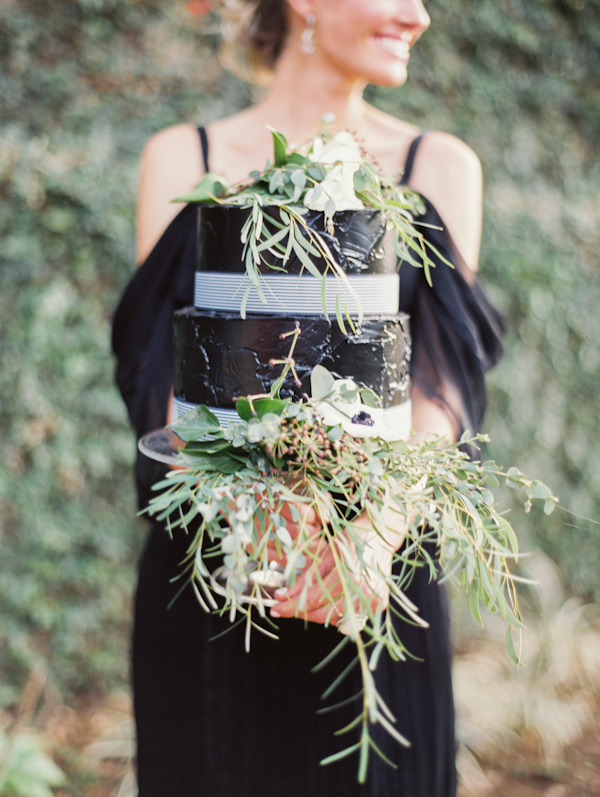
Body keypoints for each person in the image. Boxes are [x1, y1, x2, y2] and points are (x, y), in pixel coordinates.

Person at [112, 1, 504, 794]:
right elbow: (165, 377)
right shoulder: (183, 157)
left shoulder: (438, 166)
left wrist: (369, 537)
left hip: (375, 583)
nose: (420, 16)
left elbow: (442, 382)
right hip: (218, 582)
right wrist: (259, 518)